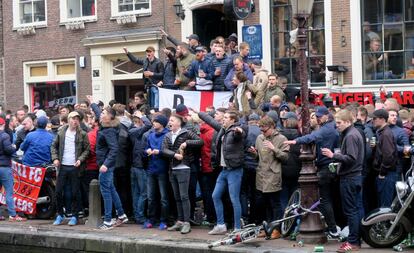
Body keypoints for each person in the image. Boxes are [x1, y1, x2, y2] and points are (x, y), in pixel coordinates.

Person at [284, 106, 340, 237]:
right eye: (317, 116)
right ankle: (333, 227)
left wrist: (295, 141)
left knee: (324, 199)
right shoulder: (330, 127)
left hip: (326, 167)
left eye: (320, 116)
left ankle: (332, 228)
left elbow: (312, 137)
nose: (318, 119)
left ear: (327, 115)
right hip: (329, 167)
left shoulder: (326, 129)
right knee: (328, 199)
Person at [321, 109, 364, 252]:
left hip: (350, 177)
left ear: (347, 122)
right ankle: (356, 240)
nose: (337, 125)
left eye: (339, 123)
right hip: (354, 176)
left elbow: (351, 158)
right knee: (356, 210)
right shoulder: (353, 133)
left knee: (351, 211)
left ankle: (352, 242)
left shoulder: (351, 135)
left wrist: (334, 155)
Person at [198, 110, 246, 235]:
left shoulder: (236, 130)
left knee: (234, 199)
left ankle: (237, 228)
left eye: (225, 117)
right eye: (223, 117)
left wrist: (239, 132)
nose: (223, 119)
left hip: (234, 170)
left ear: (232, 120)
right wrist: (199, 112)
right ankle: (220, 225)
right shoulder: (223, 129)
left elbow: (240, 134)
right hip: (224, 170)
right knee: (215, 195)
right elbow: (211, 120)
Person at [90, 97, 129, 230]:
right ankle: (122, 214)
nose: (101, 114)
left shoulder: (109, 130)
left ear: (110, 117)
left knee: (105, 191)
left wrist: (106, 164)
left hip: (105, 166)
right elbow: (98, 113)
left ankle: (107, 221)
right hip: (105, 164)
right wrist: (93, 103)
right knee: (111, 189)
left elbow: (114, 149)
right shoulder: (106, 125)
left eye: (104, 113)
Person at [162, 114, 203, 234]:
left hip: (184, 167)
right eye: (169, 120)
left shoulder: (186, 132)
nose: (169, 122)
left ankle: (186, 222)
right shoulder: (167, 135)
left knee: (184, 196)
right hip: (172, 168)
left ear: (179, 122)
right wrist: (175, 155)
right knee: (177, 197)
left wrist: (187, 143)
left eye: (172, 120)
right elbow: (163, 149)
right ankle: (180, 221)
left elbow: (200, 141)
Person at [250, 116, 289, 239]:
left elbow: (285, 157)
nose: (262, 132)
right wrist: (255, 153)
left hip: (273, 175)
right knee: (263, 204)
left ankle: (276, 229)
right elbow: (259, 157)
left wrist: (274, 148)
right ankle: (266, 228)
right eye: (260, 130)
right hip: (261, 175)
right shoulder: (259, 138)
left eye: (265, 130)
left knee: (275, 203)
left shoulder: (281, 138)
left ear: (272, 127)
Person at [51, 111, 90, 226]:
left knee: (75, 193)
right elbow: (53, 146)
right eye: (73, 119)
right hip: (62, 166)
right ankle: (60, 214)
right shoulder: (61, 132)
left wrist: (80, 159)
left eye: (77, 119)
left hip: (75, 166)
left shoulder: (82, 134)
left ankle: (74, 215)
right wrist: (55, 159)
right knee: (58, 191)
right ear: (68, 120)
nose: (75, 121)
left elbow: (87, 149)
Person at [144, 114, 170, 230]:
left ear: (162, 124)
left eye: (156, 122)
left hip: (163, 170)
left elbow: (168, 151)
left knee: (164, 198)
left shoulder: (167, 135)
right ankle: (151, 219)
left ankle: (164, 220)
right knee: (150, 197)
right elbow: (146, 147)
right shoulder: (151, 135)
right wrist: (147, 150)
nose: (153, 123)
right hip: (151, 169)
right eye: (153, 121)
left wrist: (158, 152)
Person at [0, 117, 26, 222]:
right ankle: (12, 215)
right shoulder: (4, 135)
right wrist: (14, 146)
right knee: (9, 192)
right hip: (4, 167)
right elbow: (8, 149)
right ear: (2, 125)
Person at [129, 110, 152, 225]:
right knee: (143, 193)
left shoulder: (133, 131)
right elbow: (149, 125)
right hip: (139, 167)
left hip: (134, 166)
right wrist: (142, 115)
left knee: (136, 192)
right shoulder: (134, 131)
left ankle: (136, 214)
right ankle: (140, 216)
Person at [371, 109, 398, 207]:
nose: (372, 120)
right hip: (386, 174)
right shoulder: (382, 132)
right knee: (382, 204)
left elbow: (388, 156)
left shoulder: (386, 134)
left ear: (382, 119)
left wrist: (382, 172)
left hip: (387, 175)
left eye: (374, 118)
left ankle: (385, 223)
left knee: (385, 206)